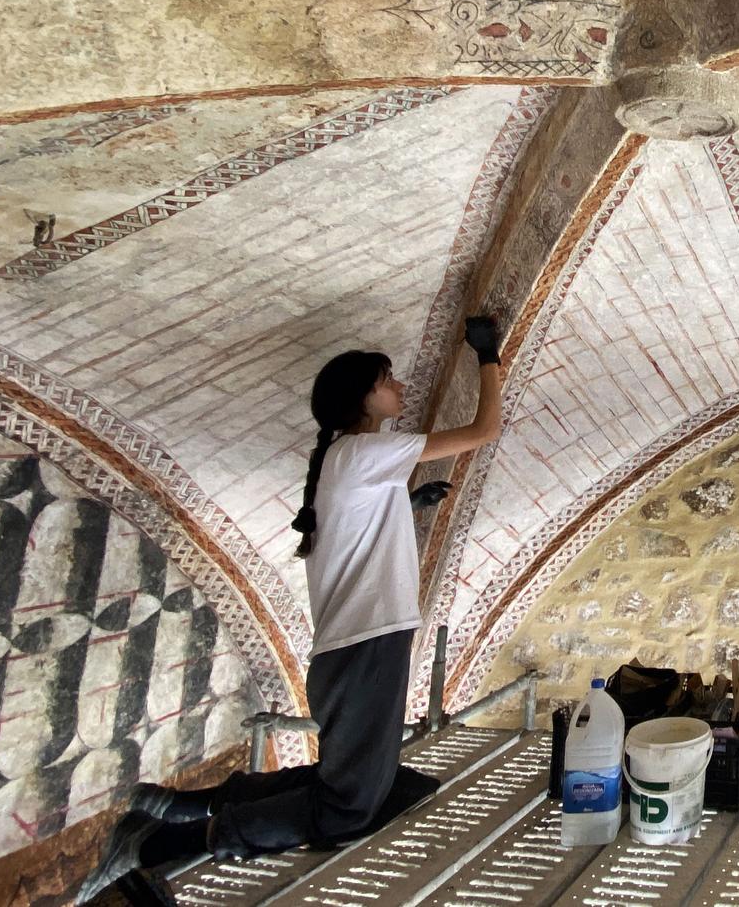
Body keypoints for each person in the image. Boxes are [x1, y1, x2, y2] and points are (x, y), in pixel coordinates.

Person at [79, 315, 507, 901]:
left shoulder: (346, 458)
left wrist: (406, 504)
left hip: (359, 647)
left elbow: (358, 535)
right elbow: (484, 430)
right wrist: (489, 356)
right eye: (389, 380)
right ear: (364, 397)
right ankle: (157, 846)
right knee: (349, 808)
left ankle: (181, 806)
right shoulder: (364, 452)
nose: (400, 388)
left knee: (371, 786)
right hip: (367, 647)